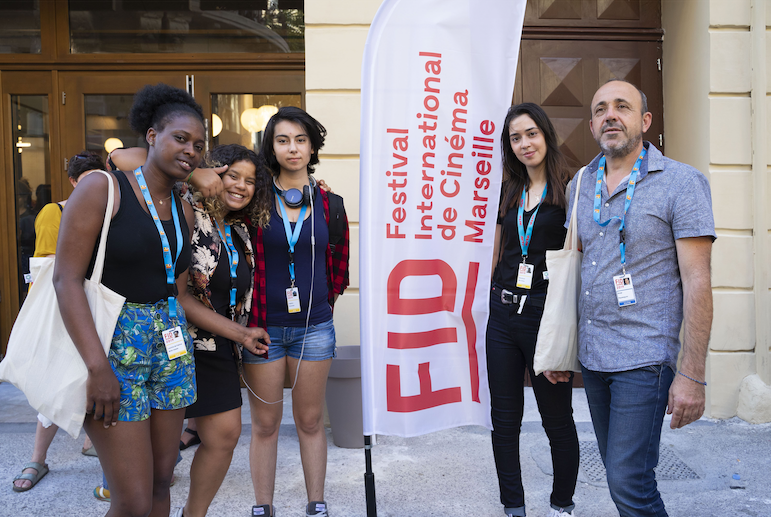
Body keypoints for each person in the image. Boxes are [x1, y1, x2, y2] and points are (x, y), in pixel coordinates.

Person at [549, 79, 715, 517]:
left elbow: (698, 281)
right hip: (594, 356)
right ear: (591, 125)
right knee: (622, 475)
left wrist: (692, 374)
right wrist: (561, 350)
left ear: (645, 120)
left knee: (628, 482)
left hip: (645, 357)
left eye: (622, 106)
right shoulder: (581, 184)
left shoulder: (682, 182)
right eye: (600, 109)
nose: (610, 115)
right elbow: (577, 271)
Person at [53, 83, 204, 517]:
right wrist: (97, 367)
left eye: (199, 145)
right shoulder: (103, 189)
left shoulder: (184, 209)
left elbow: (175, 288)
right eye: (181, 138)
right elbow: (65, 279)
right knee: (132, 501)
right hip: (113, 352)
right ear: (152, 136)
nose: (191, 151)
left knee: (160, 483)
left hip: (171, 351)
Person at [109, 143, 273, 517]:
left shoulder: (240, 229)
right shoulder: (182, 204)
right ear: (214, 173)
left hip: (219, 345)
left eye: (250, 181)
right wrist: (195, 172)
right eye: (233, 175)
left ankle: (192, 514)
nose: (241, 186)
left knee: (225, 435)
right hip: (170, 344)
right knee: (157, 465)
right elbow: (120, 158)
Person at [242, 106, 349, 517]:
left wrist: (318, 305)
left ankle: (316, 503)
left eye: (301, 140)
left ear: (312, 148)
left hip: (314, 329)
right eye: (283, 140)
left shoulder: (330, 204)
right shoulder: (253, 199)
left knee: (309, 421)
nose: (292, 148)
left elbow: (339, 270)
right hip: (261, 330)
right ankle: (263, 506)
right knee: (265, 425)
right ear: (271, 147)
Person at [486, 103, 579, 517]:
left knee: (556, 419)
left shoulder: (570, 191)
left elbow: (578, 259)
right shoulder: (508, 191)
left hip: (546, 316)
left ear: (546, 135)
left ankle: (562, 504)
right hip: (503, 314)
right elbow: (497, 252)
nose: (524, 143)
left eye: (531, 134)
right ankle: (514, 506)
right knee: (504, 420)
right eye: (515, 138)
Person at [11, 151, 103, 493]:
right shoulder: (55, 211)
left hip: (100, 306)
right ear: (73, 182)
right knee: (58, 379)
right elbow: (47, 264)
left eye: (100, 179)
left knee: (95, 378)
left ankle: (90, 442)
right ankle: (38, 458)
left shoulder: (110, 211)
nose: (94, 187)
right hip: (65, 307)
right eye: (87, 180)